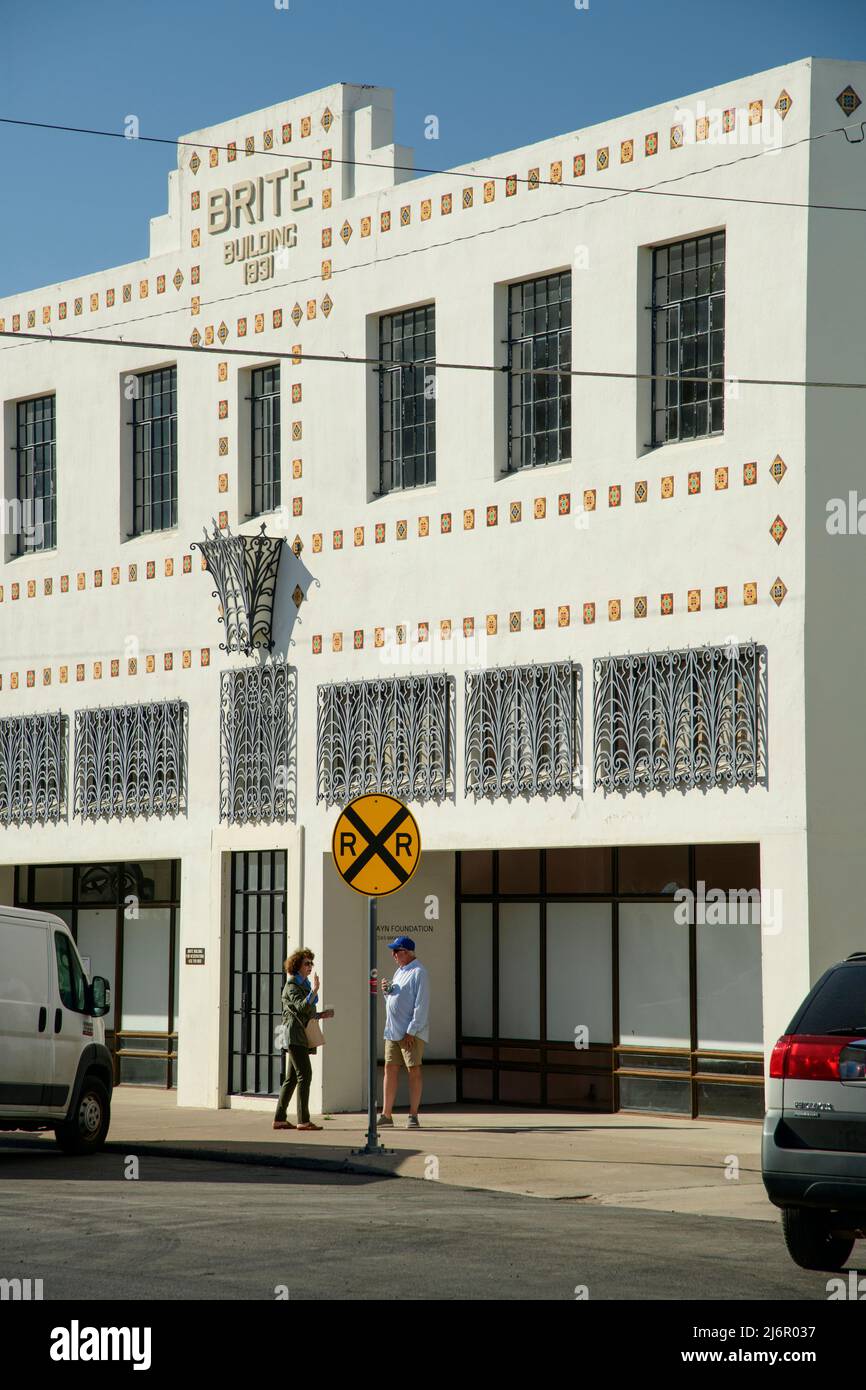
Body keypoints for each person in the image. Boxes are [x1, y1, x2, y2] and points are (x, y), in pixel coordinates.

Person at [273, 949, 333, 1132]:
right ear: (297, 965)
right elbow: (300, 1007)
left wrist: (321, 1015)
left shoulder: (304, 984)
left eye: (311, 963)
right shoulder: (292, 985)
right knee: (305, 1075)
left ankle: (280, 1119)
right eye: (306, 963)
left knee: (291, 1078)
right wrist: (314, 990)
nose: (310, 966)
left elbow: (306, 1012)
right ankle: (303, 1120)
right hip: (294, 1035)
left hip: (300, 1034)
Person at [379, 936, 430, 1129]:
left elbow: (421, 1004)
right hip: (393, 1031)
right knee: (389, 1068)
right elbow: (395, 1001)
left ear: (407, 952)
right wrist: (387, 992)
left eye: (396, 951)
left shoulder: (419, 972)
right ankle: (386, 1114)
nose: (393, 955)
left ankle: (413, 1115)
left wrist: (412, 1030)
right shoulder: (400, 971)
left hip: (410, 1032)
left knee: (413, 1070)